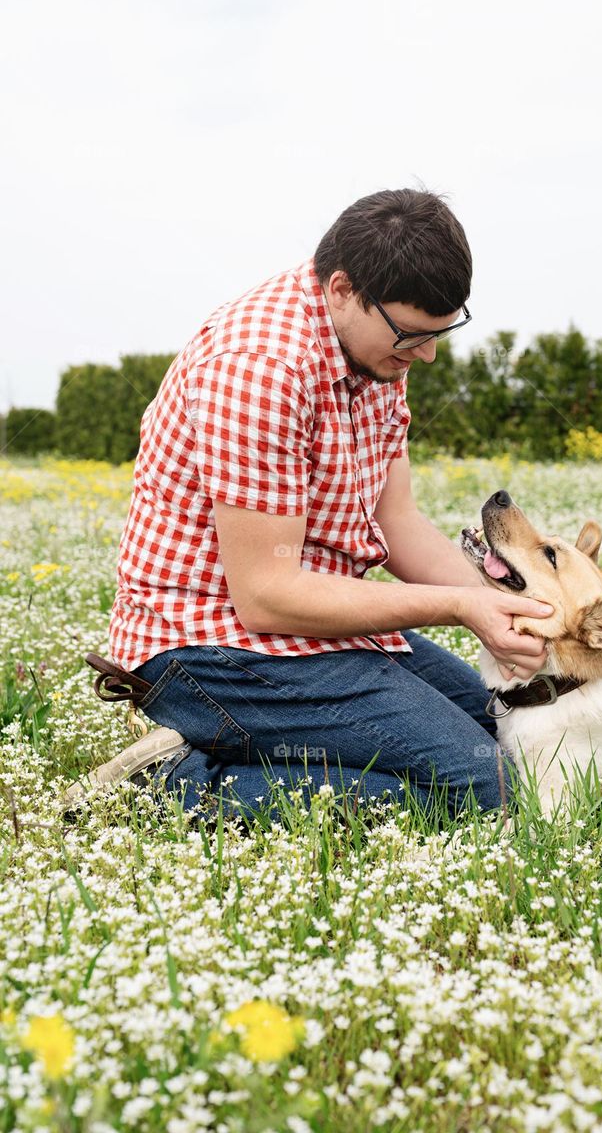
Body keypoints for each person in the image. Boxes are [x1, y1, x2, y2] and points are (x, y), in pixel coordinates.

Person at [65, 188, 553, 823]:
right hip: (212, 645)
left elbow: (397, 523)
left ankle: (244, 749)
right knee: (492, 789)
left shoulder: (377, 350)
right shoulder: (259, 369)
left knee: (520, 738)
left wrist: (515, 606)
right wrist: (462, 605)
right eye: (412, 334)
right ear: (343, 288)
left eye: (443, 332)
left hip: (311, 627)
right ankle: (169, 785)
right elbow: (267, 595)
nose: (426, 355)